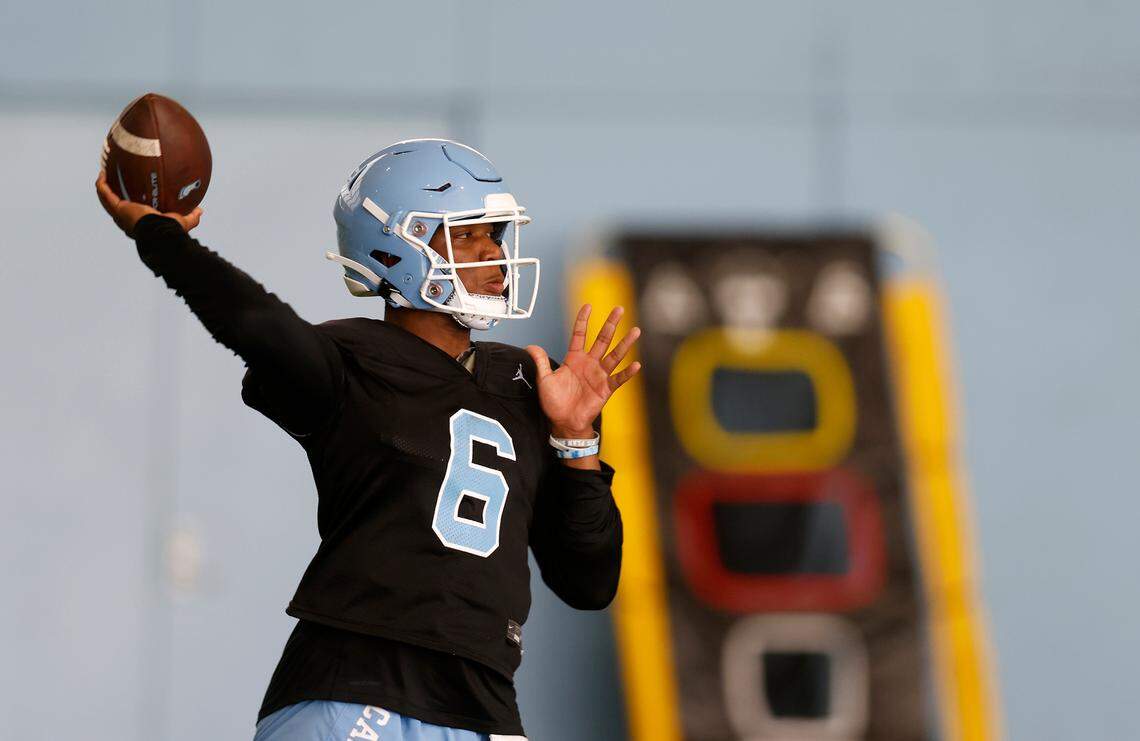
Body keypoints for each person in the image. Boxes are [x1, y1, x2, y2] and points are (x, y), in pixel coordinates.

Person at [95, 139, 641, 741]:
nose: (493, 254)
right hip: (356, 687)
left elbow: (589, 583)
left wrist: (575, 438)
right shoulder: (348, 362)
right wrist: (162, 236)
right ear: (395, 245)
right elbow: (255, 322)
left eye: (495, 235)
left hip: (483, 705)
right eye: (466, 235)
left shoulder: (530, 383)